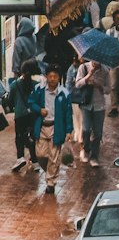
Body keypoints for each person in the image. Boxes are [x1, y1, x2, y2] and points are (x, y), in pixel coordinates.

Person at [29, 63, 73, 194]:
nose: (52, 79)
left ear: (59, 77)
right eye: (50, 76)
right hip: (42, 127)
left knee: (54, 156)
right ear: (46, 77)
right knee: (41, 155)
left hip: (56, 128)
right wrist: (39, 109)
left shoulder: (64, 94)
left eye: (55, 76)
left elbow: (68, 113)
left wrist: (69, 131)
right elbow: (31, 103)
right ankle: (50, 173)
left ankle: (50, 182)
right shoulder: (38, 90)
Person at [74, 59, 108, 167]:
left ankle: (94, 157)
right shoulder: (83, 67)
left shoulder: (105, 71)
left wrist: (99, 85)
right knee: (86, 129)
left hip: (99, 105)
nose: (96, 63)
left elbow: (109, 89)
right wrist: (89, 76)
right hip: (86, 105)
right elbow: (78, 84)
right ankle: (85, 149)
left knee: (97, 133)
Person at [9, 64, 38, 171]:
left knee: (20, 137)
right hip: (32, 114)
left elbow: (10, 100)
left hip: (20, 114)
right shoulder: (36, 85)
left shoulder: (14, 85)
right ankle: (35, 161)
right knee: (32, 137)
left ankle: (20, 157)